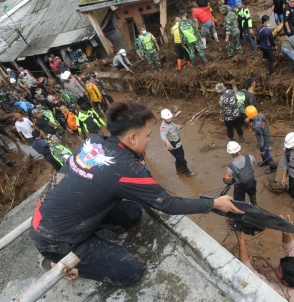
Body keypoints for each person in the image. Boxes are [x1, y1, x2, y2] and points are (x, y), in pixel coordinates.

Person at [30, 100, 242, 285]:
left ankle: (89, 231)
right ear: (132, 137)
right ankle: (58, 263)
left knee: (134, 213)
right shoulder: (125, 169)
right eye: (148, 135)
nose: (150, 140)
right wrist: (214, 203)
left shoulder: (93, 141)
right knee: (133, 270)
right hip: (56, 239)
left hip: (52, 215)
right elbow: (168, 204)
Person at [234, 224, 294, 302]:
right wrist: (286, 230)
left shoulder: (277, 294)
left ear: (285, 283)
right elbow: (291, 249)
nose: (276, 267)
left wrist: (241, 241)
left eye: (279, 270)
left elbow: (248, 270)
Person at [160, 109, 197, 177]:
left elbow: (173, 125)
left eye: (170, 117)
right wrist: (166, 141)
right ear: (163, 118)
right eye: (168, 118)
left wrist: (178, 127)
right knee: (182, 159)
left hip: (178, 144)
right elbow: (162, 135)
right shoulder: (164, 127)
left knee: (179, 158)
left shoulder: (170, 122)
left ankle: (179, 170)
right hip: (174, 147)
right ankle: (187, 172)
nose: (170, 119)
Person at [245, 106, 277, 174]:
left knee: (266, 153)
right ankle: (265, 161)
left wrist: (262, 150)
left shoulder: (256, 126)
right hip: (266, 132)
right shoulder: (261, 115)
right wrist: (251, 120)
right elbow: (257, 121)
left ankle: (273, 167)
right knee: (263, 151)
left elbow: (260, 139)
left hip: (264, 138)